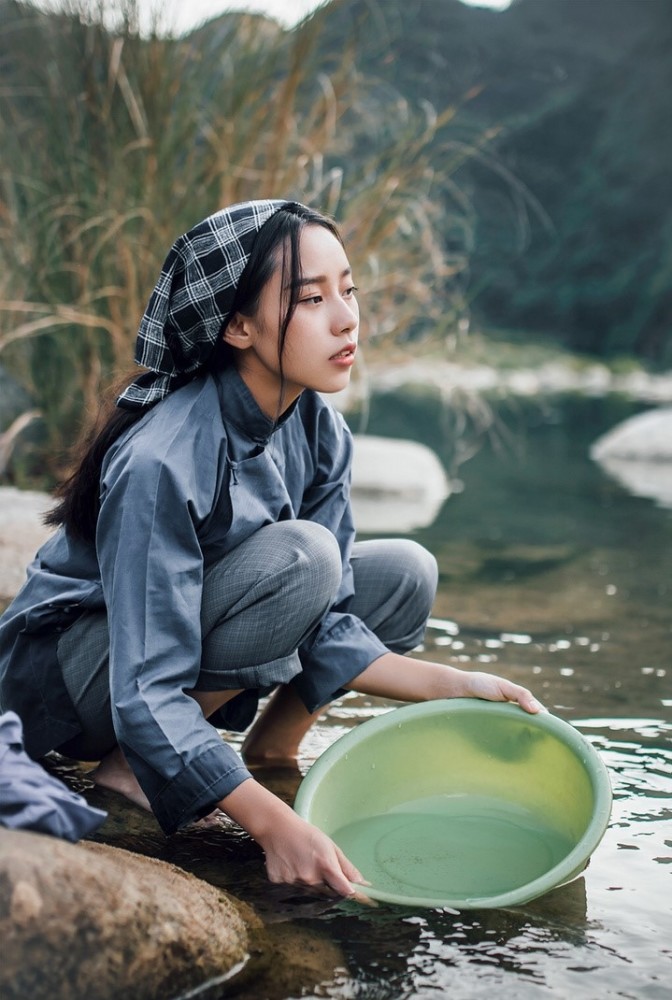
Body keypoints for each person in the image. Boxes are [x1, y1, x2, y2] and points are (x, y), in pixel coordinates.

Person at [0, 199, 542, 899]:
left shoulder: (318, 427)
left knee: (405, 572)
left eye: (348, 289)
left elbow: (335, 613)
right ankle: (134, 771)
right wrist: (273, 827)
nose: (346, 318)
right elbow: (144, 687)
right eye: (311, 299)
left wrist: (458, 685)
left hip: (156, 657)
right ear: (237, 325)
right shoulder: (163, 458)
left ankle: (275, 749)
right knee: (305, 558)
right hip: (70, 685)